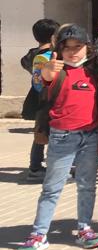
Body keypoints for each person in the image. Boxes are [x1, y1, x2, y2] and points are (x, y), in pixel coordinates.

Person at [16, 25, 98, 250]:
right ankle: (39, 234)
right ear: (60, 50)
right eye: (67, 48)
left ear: (88, 48)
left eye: (78, 47)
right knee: (52, 188)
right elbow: (43, 80)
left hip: (90, 136)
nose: (73, 52)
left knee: (87, 186)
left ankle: (85, 228)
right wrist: (47, 70)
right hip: (62, 137)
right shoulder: (56, 70)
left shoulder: (94, 72)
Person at [21, 18, 61, 183]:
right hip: (50, 100)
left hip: (38, 99)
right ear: (53, 36)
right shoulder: (51, 56)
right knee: (53, 135)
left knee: (40, 134)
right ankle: (47, 169)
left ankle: (35, 167)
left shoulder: (33, 55)